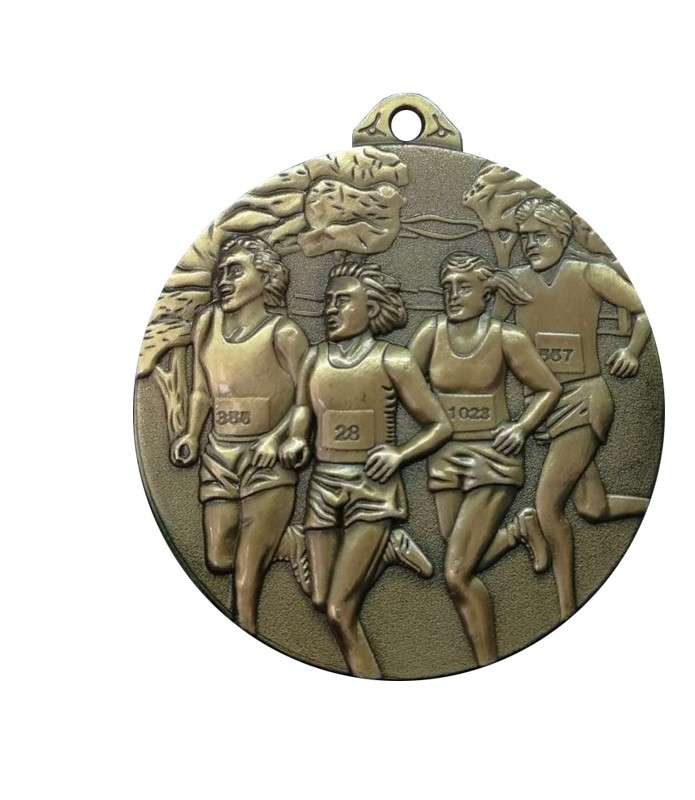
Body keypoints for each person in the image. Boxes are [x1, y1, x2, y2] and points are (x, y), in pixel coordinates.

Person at [279, 261, 452, 678]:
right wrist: (297, 438)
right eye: (328, 301)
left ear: (370, 308)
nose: (330, 309)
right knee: (319, 599)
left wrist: (399, 455)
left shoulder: (394, 360)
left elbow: (440, 425)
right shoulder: (314, 358)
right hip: (322, 485)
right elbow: (302, 411)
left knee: (340, 611)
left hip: (372, 490)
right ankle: (388, 549)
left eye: (342, 301)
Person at [493, 198, 652, 620]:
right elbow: (493, 336)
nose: (531, 244)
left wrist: (632, 351)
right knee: (591, 507)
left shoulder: (590, 273)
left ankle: (566, 607)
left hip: (583, 399)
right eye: (524, 238)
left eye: (540, 236)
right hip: (540, 406)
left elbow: (642, 310)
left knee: (548, 506)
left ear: (562, 236)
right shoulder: (516, 281)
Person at [409, 252, 561, 666]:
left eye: (463, 286)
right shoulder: (430, 334)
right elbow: (400, 382)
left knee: (456, 574)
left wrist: (521, 428)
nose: (453, 295)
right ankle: (517, 531)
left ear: (486, 292)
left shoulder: (506, 338)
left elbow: (548, 389)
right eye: (447, 287)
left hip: (493, 458)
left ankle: (487, 661)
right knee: (459, 552)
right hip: (443, 457)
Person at [171, 235, 309, 635]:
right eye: (221, 273)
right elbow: (202, 390)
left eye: (236, 271)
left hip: (267, 459)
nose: (223, 281)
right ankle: (288, 542)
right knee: (218, 560)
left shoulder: (284, 334)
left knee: (245, 583)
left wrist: (277, 438)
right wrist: (191, 434)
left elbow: (310, 401)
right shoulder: (207, 324)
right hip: (219, 456)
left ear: (265, 278)